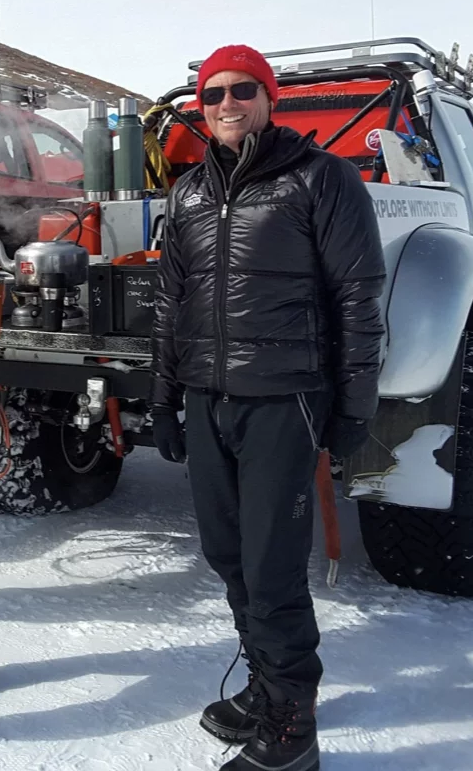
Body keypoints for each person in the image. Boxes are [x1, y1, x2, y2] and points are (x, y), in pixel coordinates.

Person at [149, 45, 385, 771]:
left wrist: (354, 406)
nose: (226, 103)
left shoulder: (322, 179)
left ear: (268, 97)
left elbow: (359, 297)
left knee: (274, 566)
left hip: (285, 399)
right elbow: (169, 304)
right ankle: (266, 686)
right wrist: (164, 398)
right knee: (228, 557)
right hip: (207, 397)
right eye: (212, 93)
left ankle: (292, 731)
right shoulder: (188, 193)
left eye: (241, 89)